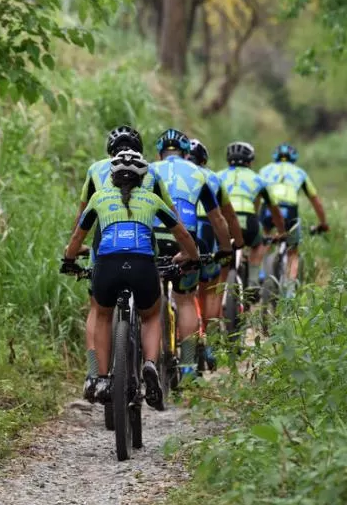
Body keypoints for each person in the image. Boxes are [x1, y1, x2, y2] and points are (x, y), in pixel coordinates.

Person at [62, 150, 199, 409]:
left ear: (112, 177)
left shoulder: (98, 198)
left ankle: (101, 379)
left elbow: (77, 238)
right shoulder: (152, 199)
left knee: (102, 314)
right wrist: (191, 257)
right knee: (149, 316)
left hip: (106, 267)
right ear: (142, 178)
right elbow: (182, 233)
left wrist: (69, 260)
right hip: (143, 267)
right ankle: (149, 364)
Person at [74, 126, 175, 402]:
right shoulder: (150, 172)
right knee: (150, 310)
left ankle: (95, 375)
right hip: (142, 248)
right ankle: (149, 363)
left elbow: (82, 216)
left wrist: (75, 251)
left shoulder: (96, 169)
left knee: (98, 310)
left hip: (103, 249)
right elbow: (170, 215)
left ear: (109, 151)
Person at [151, 129, 231, 381]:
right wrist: (226, 249)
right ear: (187, 154)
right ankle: (186, 366)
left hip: (152, 238)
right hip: (186, 240)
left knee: (150, 306)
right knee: (185, 300)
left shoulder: (149, 169)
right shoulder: (200, 173)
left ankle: (149, 363)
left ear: (160, 152)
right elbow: (216, 218)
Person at [188, 139, 244, 365]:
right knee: (211, 290)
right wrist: (236, 242)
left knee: (186, 293)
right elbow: (228, 216)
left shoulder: (175, 173)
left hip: (185, 229)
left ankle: (190, 340)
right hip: (210, 231)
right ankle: (209, 345)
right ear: (204, 160)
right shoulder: (213, 177)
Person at [254, 143, 329, 295]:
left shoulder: (265, 170)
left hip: (268, 207)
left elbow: (256, 193)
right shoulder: (300, 172)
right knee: (292, 251)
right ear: (294, 158)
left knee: (266, 237)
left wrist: (255, 217)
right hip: (289, 209)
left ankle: (258, 275)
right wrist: (323, 223)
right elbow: (316, 201)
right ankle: (289, 293)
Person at [217, 141, 287, 289]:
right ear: (250, 161)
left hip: (223, 220)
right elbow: (274, 210)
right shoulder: (259, 180)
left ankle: (218, 284)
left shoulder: (217, 176)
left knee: (219, 248)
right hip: (248, 220)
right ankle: (253, 281)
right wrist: (282, 232)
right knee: (258, 244)